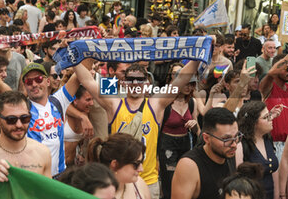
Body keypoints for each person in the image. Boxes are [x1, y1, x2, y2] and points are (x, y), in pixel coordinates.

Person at [74, 56, 202, 199]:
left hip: (148, 181)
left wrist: (199, 56)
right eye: (131, 79)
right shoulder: (114, 103)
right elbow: (87, 81)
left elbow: (181, 80)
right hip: (119, 181)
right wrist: (72, 56)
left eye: (140, 79)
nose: (135, 83)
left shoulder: (155, 104)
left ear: (147, 82)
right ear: (124, 82)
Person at [0, 44, 80, 177]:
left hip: (59, 175)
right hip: (33, 178)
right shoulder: (22, 107)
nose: (34, 84)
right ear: (24, 86)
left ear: (47, 81)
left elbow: (78, 76)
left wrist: (82, 47)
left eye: (38, 79)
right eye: (29, 82)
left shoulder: (58, 101)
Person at [171, 107, 239, 199]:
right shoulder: (189, 166)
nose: (234, 144)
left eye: (236, 137)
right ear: (207, 138)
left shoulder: (228, 152)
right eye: (226, 139)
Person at [158, 70, 199, 199]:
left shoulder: (192, 102)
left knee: (185, 179)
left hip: (186, 144)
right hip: (167, 145)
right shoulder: (165, 103)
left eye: (192, 84)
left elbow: (198, 131)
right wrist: (156, 156)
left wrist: (194, 124)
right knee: (169, 181)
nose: (188, 87)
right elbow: (157, 130)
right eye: (186, 83)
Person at [260, 39, 288, 160]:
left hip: (284, 145)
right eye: (287, 69)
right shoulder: (268, 86)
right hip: (268, 144)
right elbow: (271, 73)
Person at [235, 101, 279, 199]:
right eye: (266, 117)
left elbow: (274, 172)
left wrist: (279, 195)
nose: (271, 119)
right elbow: (237, 181)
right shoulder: (241, 145)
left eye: (270, 115)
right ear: (253, 123)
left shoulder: (267, 139)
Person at [87, 133, 150, 199]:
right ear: (115, 165)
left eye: (141, 161)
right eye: (136, 164)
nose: (141, 169)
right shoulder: (95, 194)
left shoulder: (139, 184)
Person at [64, 85, 94, 165]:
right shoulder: (63, 113)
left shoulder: (87, 115)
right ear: (75, 100)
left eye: (92, 99)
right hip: (56, 167)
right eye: (88, 100)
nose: (92, 103)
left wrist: (81, 154)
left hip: (72, 166)